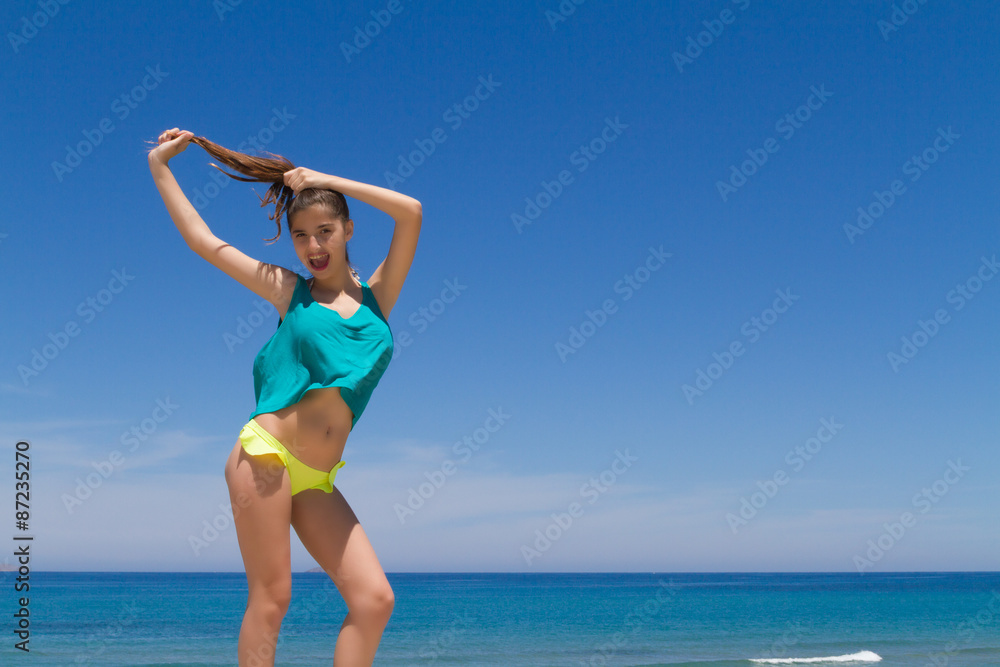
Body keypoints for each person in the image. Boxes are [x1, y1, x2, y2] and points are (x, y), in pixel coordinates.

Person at [147, 127, 421, 666]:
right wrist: (160, 167)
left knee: (374, 600)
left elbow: (410, 211)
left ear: (347, 230)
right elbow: (205, 242)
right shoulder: (290, 292)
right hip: (265, 456)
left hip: (318, 478)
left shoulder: (378, 300)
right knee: (272, 599)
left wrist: (321, 179)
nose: (314, 246)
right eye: (301, 235)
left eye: (325, 231)